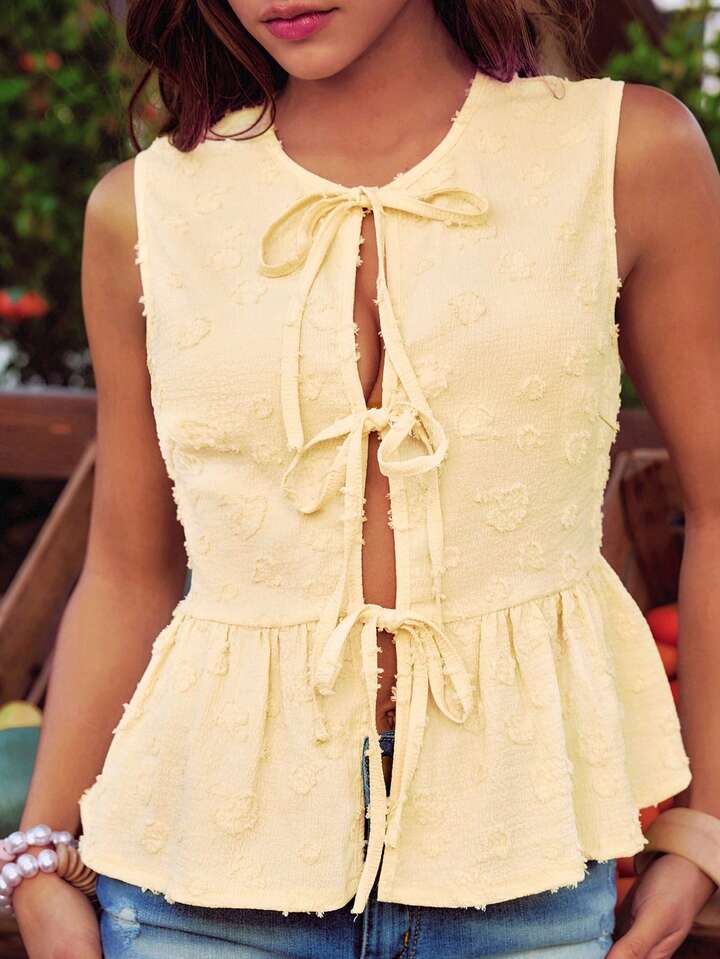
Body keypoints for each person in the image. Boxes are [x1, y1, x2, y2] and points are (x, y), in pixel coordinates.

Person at [7, 0, 720, 956]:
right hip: (195, 881)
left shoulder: (627, 153)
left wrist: (705, 829)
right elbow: (129, 569)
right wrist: (39, 856)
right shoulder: (143, 207)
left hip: (520, 872)